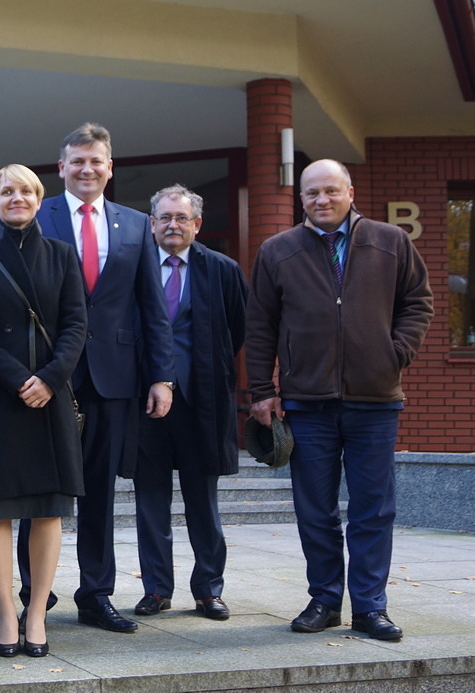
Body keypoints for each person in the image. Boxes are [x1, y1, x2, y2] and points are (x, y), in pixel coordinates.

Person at [246, 159, 432, 641]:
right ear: (301, 199)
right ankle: (325, 600)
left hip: (376, 399)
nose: (322, 199)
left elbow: (418, 302)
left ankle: (370, 607)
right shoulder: (277, 250)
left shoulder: (391, 241)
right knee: (315, 509)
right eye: (312, 193)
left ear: (350, 192)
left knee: (374, 508)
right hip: (307, 402)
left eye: (331, 190)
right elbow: (260, 324)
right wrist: (262, 391)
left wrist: (395, 354)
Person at [34, 122, 174, 634]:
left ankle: (95, 594)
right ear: (62, 167)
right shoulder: (38, 215)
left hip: (115, 377)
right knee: (41, 489)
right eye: (78, 161)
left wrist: (162, 376)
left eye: (96, 161)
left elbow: (152, 307)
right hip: (50, 376)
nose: (87, 169)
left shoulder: (136, 224)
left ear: (110, 168)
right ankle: (34, 595)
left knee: (100, 493)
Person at [0, 164, 87, 658]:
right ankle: (7, 614)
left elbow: (76, 325)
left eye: (26, 191)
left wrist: (49, 379)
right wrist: (17, 379)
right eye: (6, 191)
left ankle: (36, 615)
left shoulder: (62, 254)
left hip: (50, 398)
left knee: (48, 511)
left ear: (38, 198)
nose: (17, 198)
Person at [131, 185, 247, 621]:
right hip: (147, 402)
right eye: (164, 217)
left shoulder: (222, 269)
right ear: (152, 223)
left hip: (203, 403)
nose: (173, 225)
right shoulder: (135, 267)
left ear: (197, 224)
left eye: (181, 218)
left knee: (204, 502)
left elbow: (237, 330)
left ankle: (209, 590)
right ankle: (157, 588)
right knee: (151, 501)